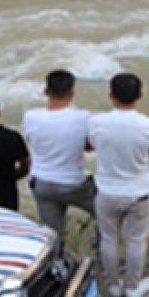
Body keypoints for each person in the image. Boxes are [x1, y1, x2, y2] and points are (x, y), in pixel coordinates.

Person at [90, 73, 149, 297]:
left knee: (108, 238)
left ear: (111, 95)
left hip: (107, 190)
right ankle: (133, 286)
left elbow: (92, 145)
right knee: (136, 239)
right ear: (140, 95)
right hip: (138, 191)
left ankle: (113, 285)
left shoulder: (96, 122)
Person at [23, 69, 95, 234]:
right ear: (72, 93)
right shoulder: (83, 117)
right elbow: (89, 146)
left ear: (46, 91)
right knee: (106, 216)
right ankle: (99, 249)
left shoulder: (30, 117)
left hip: (42, 183)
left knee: (51, 233)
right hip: (75, 183)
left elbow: (32, 140)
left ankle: (56, 258)